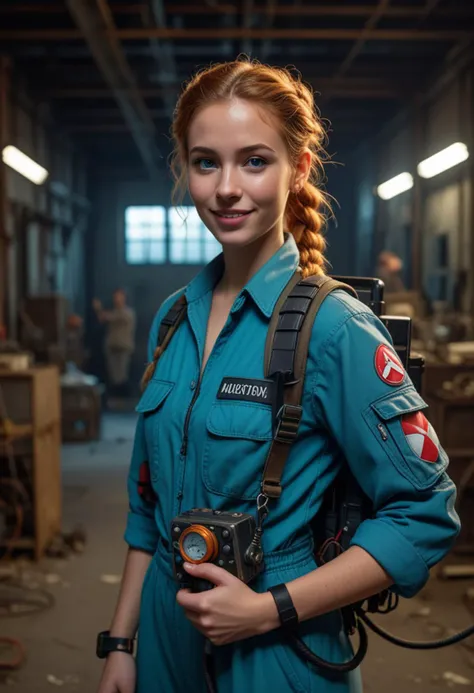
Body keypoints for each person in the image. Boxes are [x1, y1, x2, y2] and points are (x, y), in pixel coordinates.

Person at [97, 59, 460, 693]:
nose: (227, 188)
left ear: (299, 168)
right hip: (162, 641)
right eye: (206, 162)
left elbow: (424, 513)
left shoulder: (334, 329)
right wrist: (122, 644)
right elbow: (146, 509)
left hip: (277, 650)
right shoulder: (171, 318)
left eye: (255, 161)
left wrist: (266, 609)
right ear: (184, 169)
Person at [93, 289, 136, 398]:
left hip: (123, 347)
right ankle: (117, 397)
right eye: (115, 297)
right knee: (114, 375)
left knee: (121, 374)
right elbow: (103, 318)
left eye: (119, 296)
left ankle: (124, 397)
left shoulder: (128, 312)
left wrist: (99, 309)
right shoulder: (115, 312)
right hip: (112, 347)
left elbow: (111, 317)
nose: (117, 299)